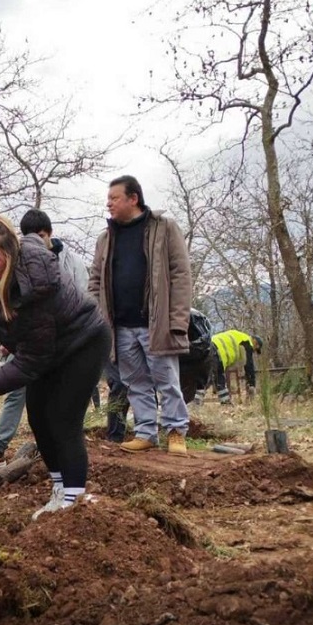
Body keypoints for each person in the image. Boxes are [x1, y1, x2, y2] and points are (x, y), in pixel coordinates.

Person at [0, 217, 110, 520]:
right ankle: (60, 489)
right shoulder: (1, 280)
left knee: (62, 419)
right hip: (52, 347)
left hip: (83, 343)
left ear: (10, 252)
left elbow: (35, 357)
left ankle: (73, 502)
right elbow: (30, 340)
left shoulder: (34, 286)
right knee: (38, 416)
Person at [88, 175, 193, 455]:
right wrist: (100, 319)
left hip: (156, 323)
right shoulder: (106, 237)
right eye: (108, 199)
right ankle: (146, 432)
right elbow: (95, 280)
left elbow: (180, 275)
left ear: (133, 199)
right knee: (135, 383)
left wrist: (178, 320)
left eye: (114, 198)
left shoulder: (164, 228)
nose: (108, 204)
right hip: (120, 326)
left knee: (166, 380)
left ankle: (175, 432)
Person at [209, 330, 263, 405]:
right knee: (205, 379)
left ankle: (226, 403)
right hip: (217, 352)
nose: (253, 351)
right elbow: (248, 365)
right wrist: (252, 384)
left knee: (219, 379)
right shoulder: (247, 342)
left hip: (210, 345)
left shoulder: (240, 336)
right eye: (255, 349)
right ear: (254, 341)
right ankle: (194, 404)